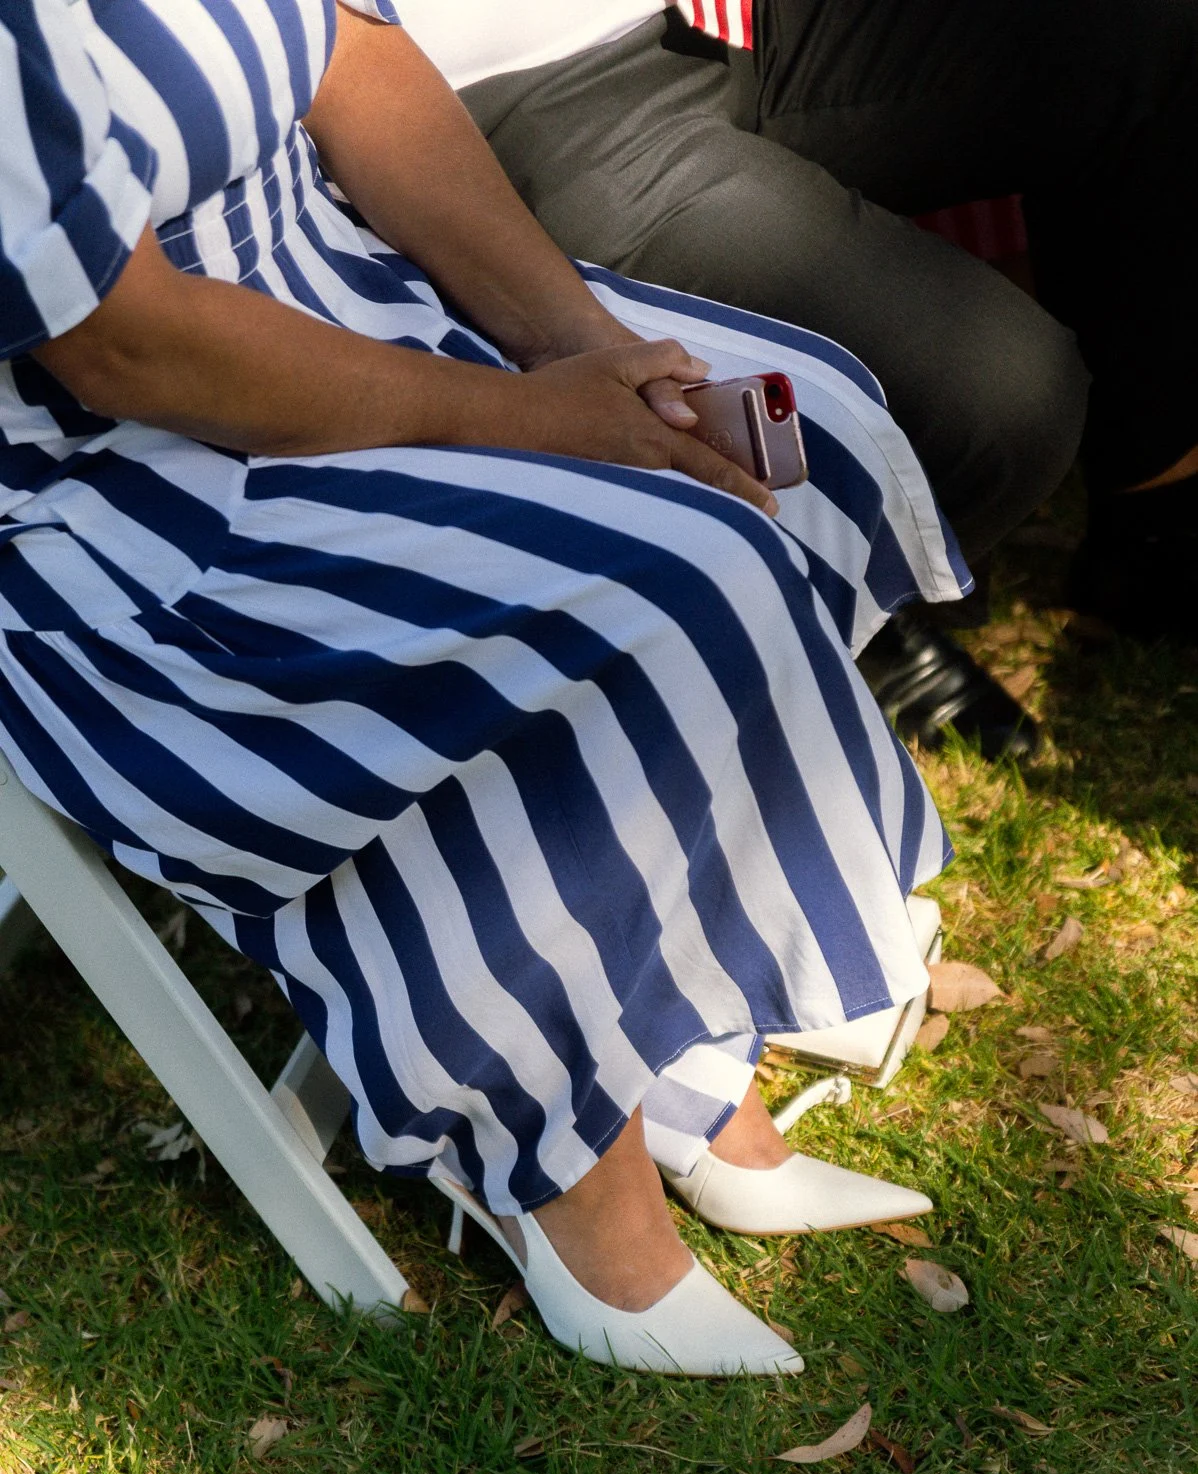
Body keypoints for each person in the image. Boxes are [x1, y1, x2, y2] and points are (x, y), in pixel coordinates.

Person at [1, 0, 967, 1377]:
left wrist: (576, 353)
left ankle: (684, 1062)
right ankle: (574, 1187)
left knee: (805, 441)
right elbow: (124, 346)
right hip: (111, 481)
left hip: (329, 285)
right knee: (663, 575)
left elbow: (352, 52)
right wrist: (533, 421)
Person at [401, 0, 1198, 686]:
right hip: (493, 79)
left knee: (1151, 33)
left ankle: (1153, 534)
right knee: (1007, 394)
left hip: (704, 19)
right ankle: (827, 640)